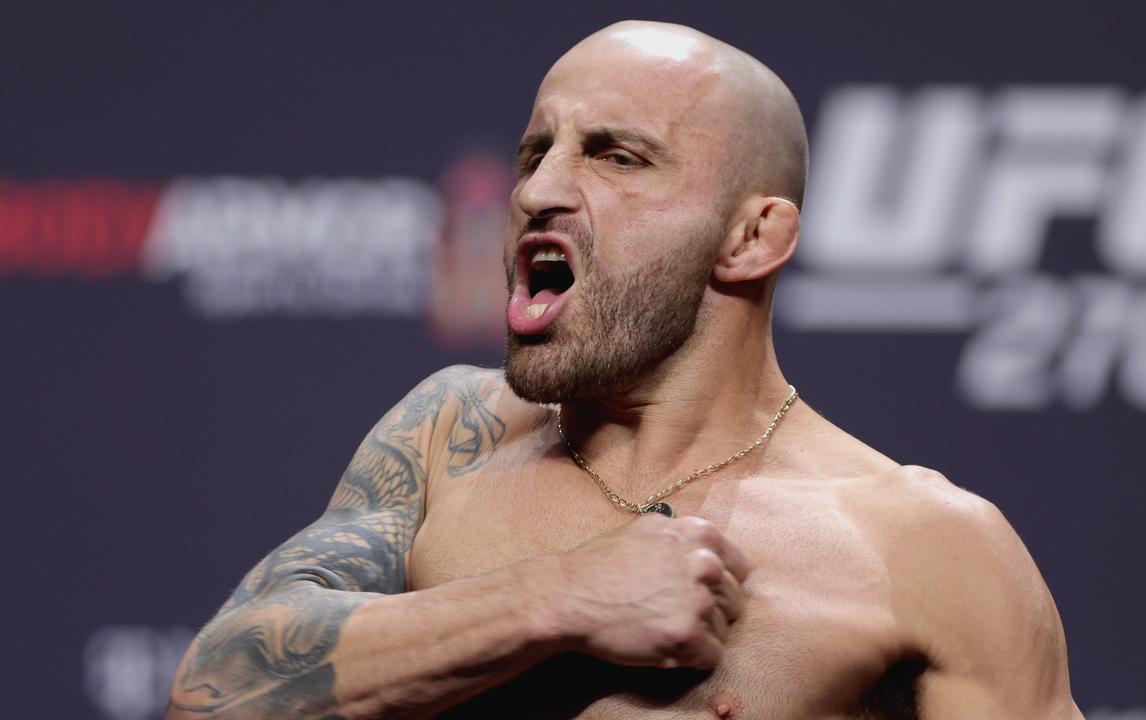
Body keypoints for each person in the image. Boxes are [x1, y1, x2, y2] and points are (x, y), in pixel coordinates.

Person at [167, 20, 1083, 720]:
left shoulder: (929, 551)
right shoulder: (452, 432)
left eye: (615, 156)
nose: (537, 190)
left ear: (752, 236)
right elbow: (216, 688)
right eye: (538, 152)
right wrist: (555, 597)